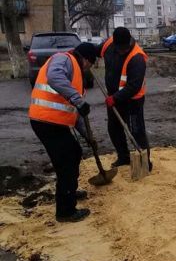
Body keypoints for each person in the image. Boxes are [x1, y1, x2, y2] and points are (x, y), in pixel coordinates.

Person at [29, 43, 97, 222]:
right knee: (66, 161)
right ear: (86, 59)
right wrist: (77, 98)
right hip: (46, 121)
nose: (90, 69)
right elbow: (54, 76)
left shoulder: (75, 75)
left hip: (54, 122)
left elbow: (75, 114)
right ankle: (66, 211)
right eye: (91, 64)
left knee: (74, 152)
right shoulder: (63, 59)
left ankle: (69, 192)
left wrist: (88, 136)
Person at [98, 27, 151, 170]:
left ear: (129, 43)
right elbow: (96, 51)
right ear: (114, 44)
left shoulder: (137, 58)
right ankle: (124, 157)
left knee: (136, 131)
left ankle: (145, 163)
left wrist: (115, 97)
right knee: (114, 129)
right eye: (120, 48)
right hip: (114, 98)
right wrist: (80, 54)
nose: (122, 51)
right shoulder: (109, 44)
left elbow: (134, 86)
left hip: (133, 100)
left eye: (124, 48)